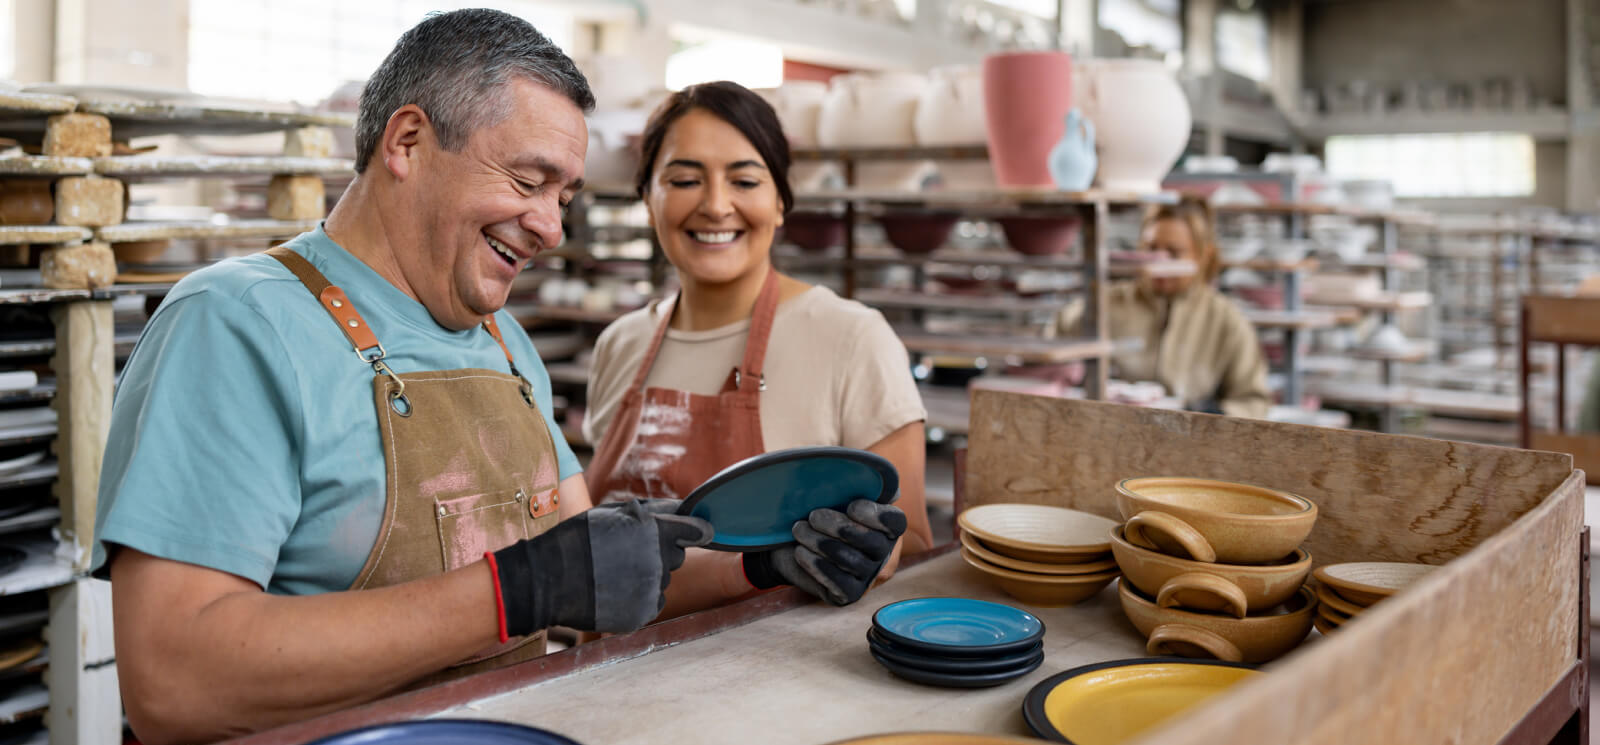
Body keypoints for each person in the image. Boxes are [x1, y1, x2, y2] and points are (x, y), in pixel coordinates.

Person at [91, 11, 712, 744]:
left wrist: (766, 563)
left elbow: (593, 562)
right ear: (408, 142)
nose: (550, 226)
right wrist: (513, 592)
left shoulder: (503, 341)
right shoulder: (237, 323)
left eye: (564, 196)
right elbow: (173, 678)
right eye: (526, 180)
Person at [581, 82, 932, 618]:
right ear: (647, 200)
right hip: (600, 682)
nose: (716, 205)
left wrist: (865, 556)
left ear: (781, 203)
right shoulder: (618, 345)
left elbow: (914, 558)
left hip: (768, 684)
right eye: (683, 180)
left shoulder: (852, 339)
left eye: (744, 180)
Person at [1051, 195, 1272, 418]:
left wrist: (1212, 416)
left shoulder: (1226, 321)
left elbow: (1253, 401)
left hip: (1190, 444)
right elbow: (1049, 366)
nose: (1159, 261)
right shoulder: (1103, 305)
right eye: (1151, 249)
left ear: (1204, 255)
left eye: (1174, 253)